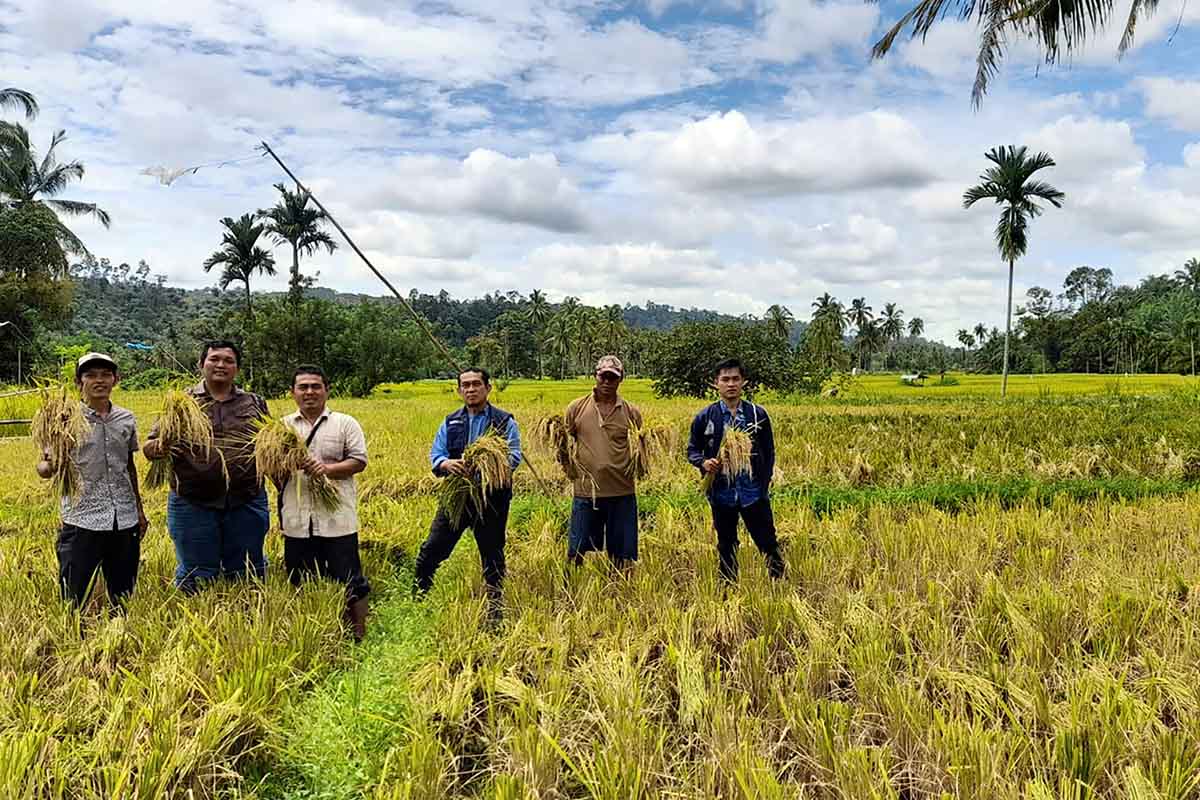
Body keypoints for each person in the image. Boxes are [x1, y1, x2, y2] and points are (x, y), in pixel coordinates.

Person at [143, 340, 270, 594]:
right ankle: (198, 622)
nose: (221, 364)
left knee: (247, 573)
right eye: (214, 359)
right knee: (196, 574)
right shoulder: (181, 403)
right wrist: (161, 447)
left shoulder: (254, 402)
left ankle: (245, 623)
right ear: (201, 364)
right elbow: (149, 447)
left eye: (228, 360)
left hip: (246, 500)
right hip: (192, 502)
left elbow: (270, 444)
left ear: (237, 368)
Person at [36, 352, 148, 608]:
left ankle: (119, 637)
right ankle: (76, 642)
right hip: (82, 518)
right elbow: (45, 465)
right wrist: (48, 465)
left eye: (106, 374)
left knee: (123, 597)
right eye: (90, 375)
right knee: (74, 599)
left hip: (124, 518)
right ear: (79, 382)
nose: (99, 380)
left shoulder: (126, 419)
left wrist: (139, 511)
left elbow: (128, 466)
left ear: (116, 379)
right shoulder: (63, 420)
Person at [414, 367, 522, 619]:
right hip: (457, 496)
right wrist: (447, 464)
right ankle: (419, 596)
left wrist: (488, 465)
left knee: (492, 551)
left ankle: (495, 606)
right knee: (433, 547)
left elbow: (514, 456)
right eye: (466, 385)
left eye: (476, 384)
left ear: (488, 388)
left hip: (491, 498)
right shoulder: (450, 422)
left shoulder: (504, 421)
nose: (471, 389)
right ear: (459, 390)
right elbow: (437, 455)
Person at [279, 364, 371, 640]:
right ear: (293, 393)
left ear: (327, 390)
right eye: (303, 387)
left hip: (337, 517)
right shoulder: (282, 427)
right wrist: (285, 462)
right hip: (297, 518)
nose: (309, 392)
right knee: (300, 579)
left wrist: (328, 470)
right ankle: (312, 632)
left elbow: (359, 461)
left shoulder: (346, 423)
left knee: (349, 578)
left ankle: (358, 633)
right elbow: (272, 469)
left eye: (315, 386)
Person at [687, 358, 783, 583]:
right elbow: (692, 449)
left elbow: (769, 451)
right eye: (725, 379)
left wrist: (764, 482)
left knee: (767, 539)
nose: (731, 384)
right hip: (722, 493)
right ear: (716, 383)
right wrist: (704, 463)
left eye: (735, 379)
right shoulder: (705, 417)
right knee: (726, 542)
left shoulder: (757, 416)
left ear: (743, 382)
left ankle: (779, 580)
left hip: (752, 491)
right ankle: (728, 584)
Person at [563, 355, 643, 569]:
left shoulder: (631, 413)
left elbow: (639, 451)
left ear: (621, 379)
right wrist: (570, 469)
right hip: (586, 491)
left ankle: (619, 592)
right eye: (603, 376)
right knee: (576, 548)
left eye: (612, 378)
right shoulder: (576, 408)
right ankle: (571, 590)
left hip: (622, 491)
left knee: (622, 552)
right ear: (595, 376)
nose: (607, 382)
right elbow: (563, 444)